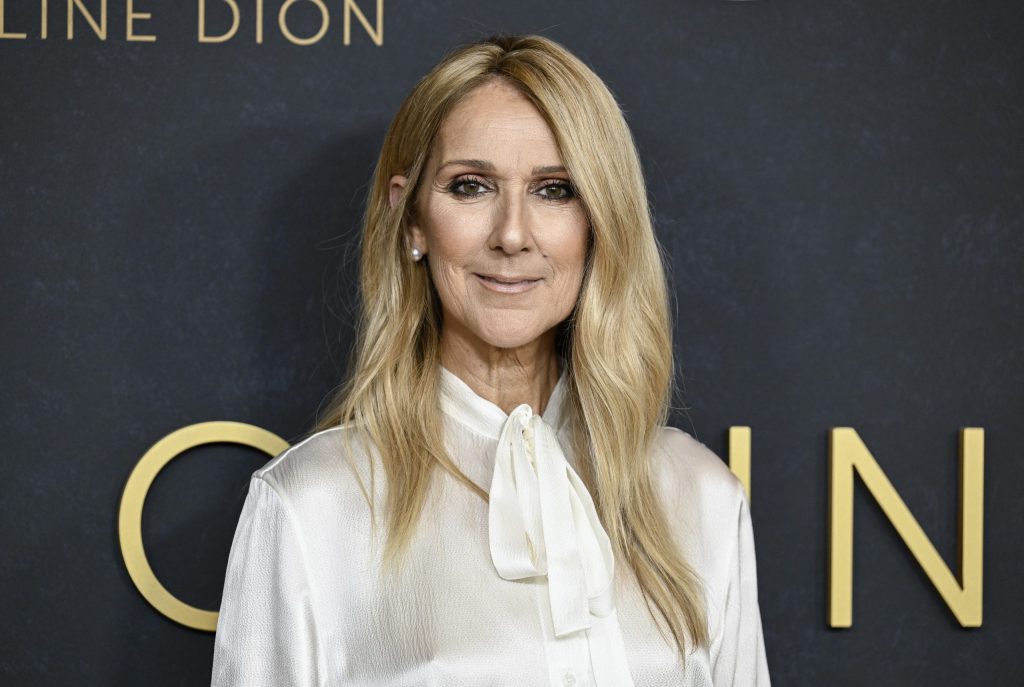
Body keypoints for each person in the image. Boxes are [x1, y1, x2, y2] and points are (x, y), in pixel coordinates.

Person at [211, 34, 770, 686]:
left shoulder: (700, 494)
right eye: (470, 186)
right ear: (412, 219)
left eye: (555, 190)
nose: (511, 234)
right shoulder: (313, 504)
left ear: (599, 223)